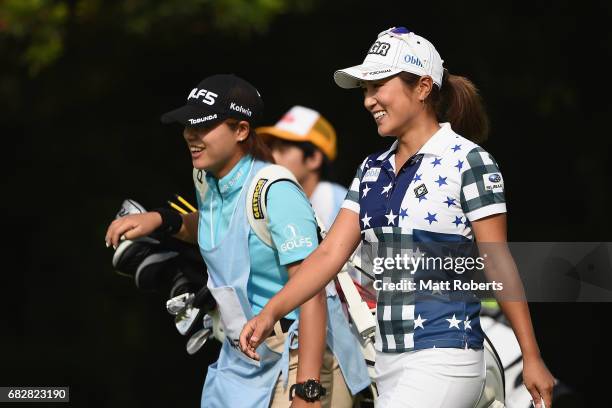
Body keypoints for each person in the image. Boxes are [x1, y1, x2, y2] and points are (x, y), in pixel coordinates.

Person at [240, 27, 555, 408]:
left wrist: (532, 357)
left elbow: (497, 260)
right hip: (387, 361)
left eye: (378, 86)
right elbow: (327, 255)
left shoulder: (469, 160)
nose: (368, 100)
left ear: (423, 87)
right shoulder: (372, 169)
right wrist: (271, 310)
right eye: (365, 91)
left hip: (448, 353)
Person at [105, 74, 370, 408]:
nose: (190, 135)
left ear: (241, 130)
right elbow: (222, 227)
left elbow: (311, 291)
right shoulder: (206, 176)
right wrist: (162, 220)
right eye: (188, 126)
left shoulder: (275, 190)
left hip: (300, 358)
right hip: (241, 360)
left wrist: (308, 391)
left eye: (202, 126)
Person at [257, 105, 347, 231]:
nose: (272, 156)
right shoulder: (273, 199)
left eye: (283, 149)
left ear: (313, 159)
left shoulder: (343, 206)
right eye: (272, 148)